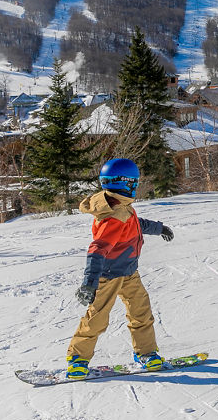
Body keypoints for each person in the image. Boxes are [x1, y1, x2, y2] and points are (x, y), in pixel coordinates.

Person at [65, 158, 175, 379]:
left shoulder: (121, 207)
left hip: (129, 273)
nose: (136, 187)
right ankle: (78, 359)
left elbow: (137, 223)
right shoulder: (114, 216)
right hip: (109, 276)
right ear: (126, 183)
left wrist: (159, 228)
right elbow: (97, 250)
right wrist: (89, 283)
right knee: (97, 318)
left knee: (141, 311)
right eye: (134, 183)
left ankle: (146, 353)